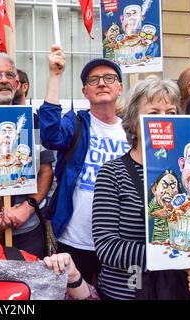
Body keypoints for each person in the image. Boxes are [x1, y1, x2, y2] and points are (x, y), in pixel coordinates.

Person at [92, 75, 190, 300]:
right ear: (133, 122)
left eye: (171, 113)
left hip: (181, 292)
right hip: (128, 291)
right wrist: (178, 257)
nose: (164, 120)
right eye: (154, 113)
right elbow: (107, 247)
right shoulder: (112, 173)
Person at [40, 46, 130, 284]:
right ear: (85, 91)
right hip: (74, 238)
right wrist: (54, 76)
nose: (102, 83)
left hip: (119, 242)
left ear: (119, 87)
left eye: (109, 78)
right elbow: (50, 136)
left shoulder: (133, 130)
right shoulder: (77, 122)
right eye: (94, 80)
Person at [0, 53, 55, 259]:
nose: (4, 80)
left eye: (9, 75)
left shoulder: (34, 122)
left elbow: (46, 172)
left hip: (28, 230)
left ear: (17, 83)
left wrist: (27, 208)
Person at [147, 170, 180, 243]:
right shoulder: (154, 202)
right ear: (154, 189)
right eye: (165, 185)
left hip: (175, 242)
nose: (169, 191)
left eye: (173, 186)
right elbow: (145, 217)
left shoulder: (178, 203)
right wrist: (156, 214)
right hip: (157, 242)